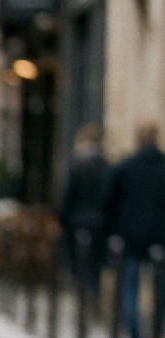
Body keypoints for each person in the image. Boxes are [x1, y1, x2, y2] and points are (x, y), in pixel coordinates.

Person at [104, 120, 165, 338]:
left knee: (130, 293)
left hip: (131, 240)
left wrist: (115, 232)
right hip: (160, 240)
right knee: (160, 294)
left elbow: (110, 204)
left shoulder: (126, 167)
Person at [59, 125, 109, 294]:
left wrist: (63, 219)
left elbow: (68, 196)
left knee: (77, 265)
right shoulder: (106, 167)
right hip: (100, 223)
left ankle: (81, 295)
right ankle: (91, 295)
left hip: (77, 221)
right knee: (94, 266)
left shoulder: (77, 166)